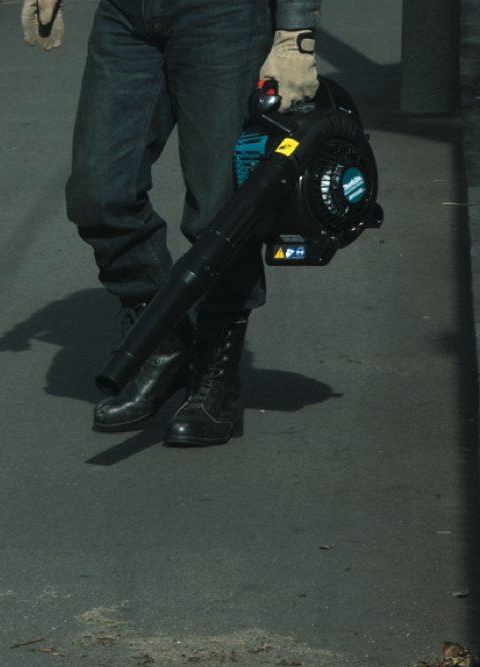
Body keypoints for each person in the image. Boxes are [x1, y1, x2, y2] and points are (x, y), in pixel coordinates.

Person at [22, 0, 320, 446]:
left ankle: (215, 378)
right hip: (126, 16)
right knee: (98, 194)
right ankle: (162, 345)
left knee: (222, 212)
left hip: (223, 17)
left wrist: (295, 35)